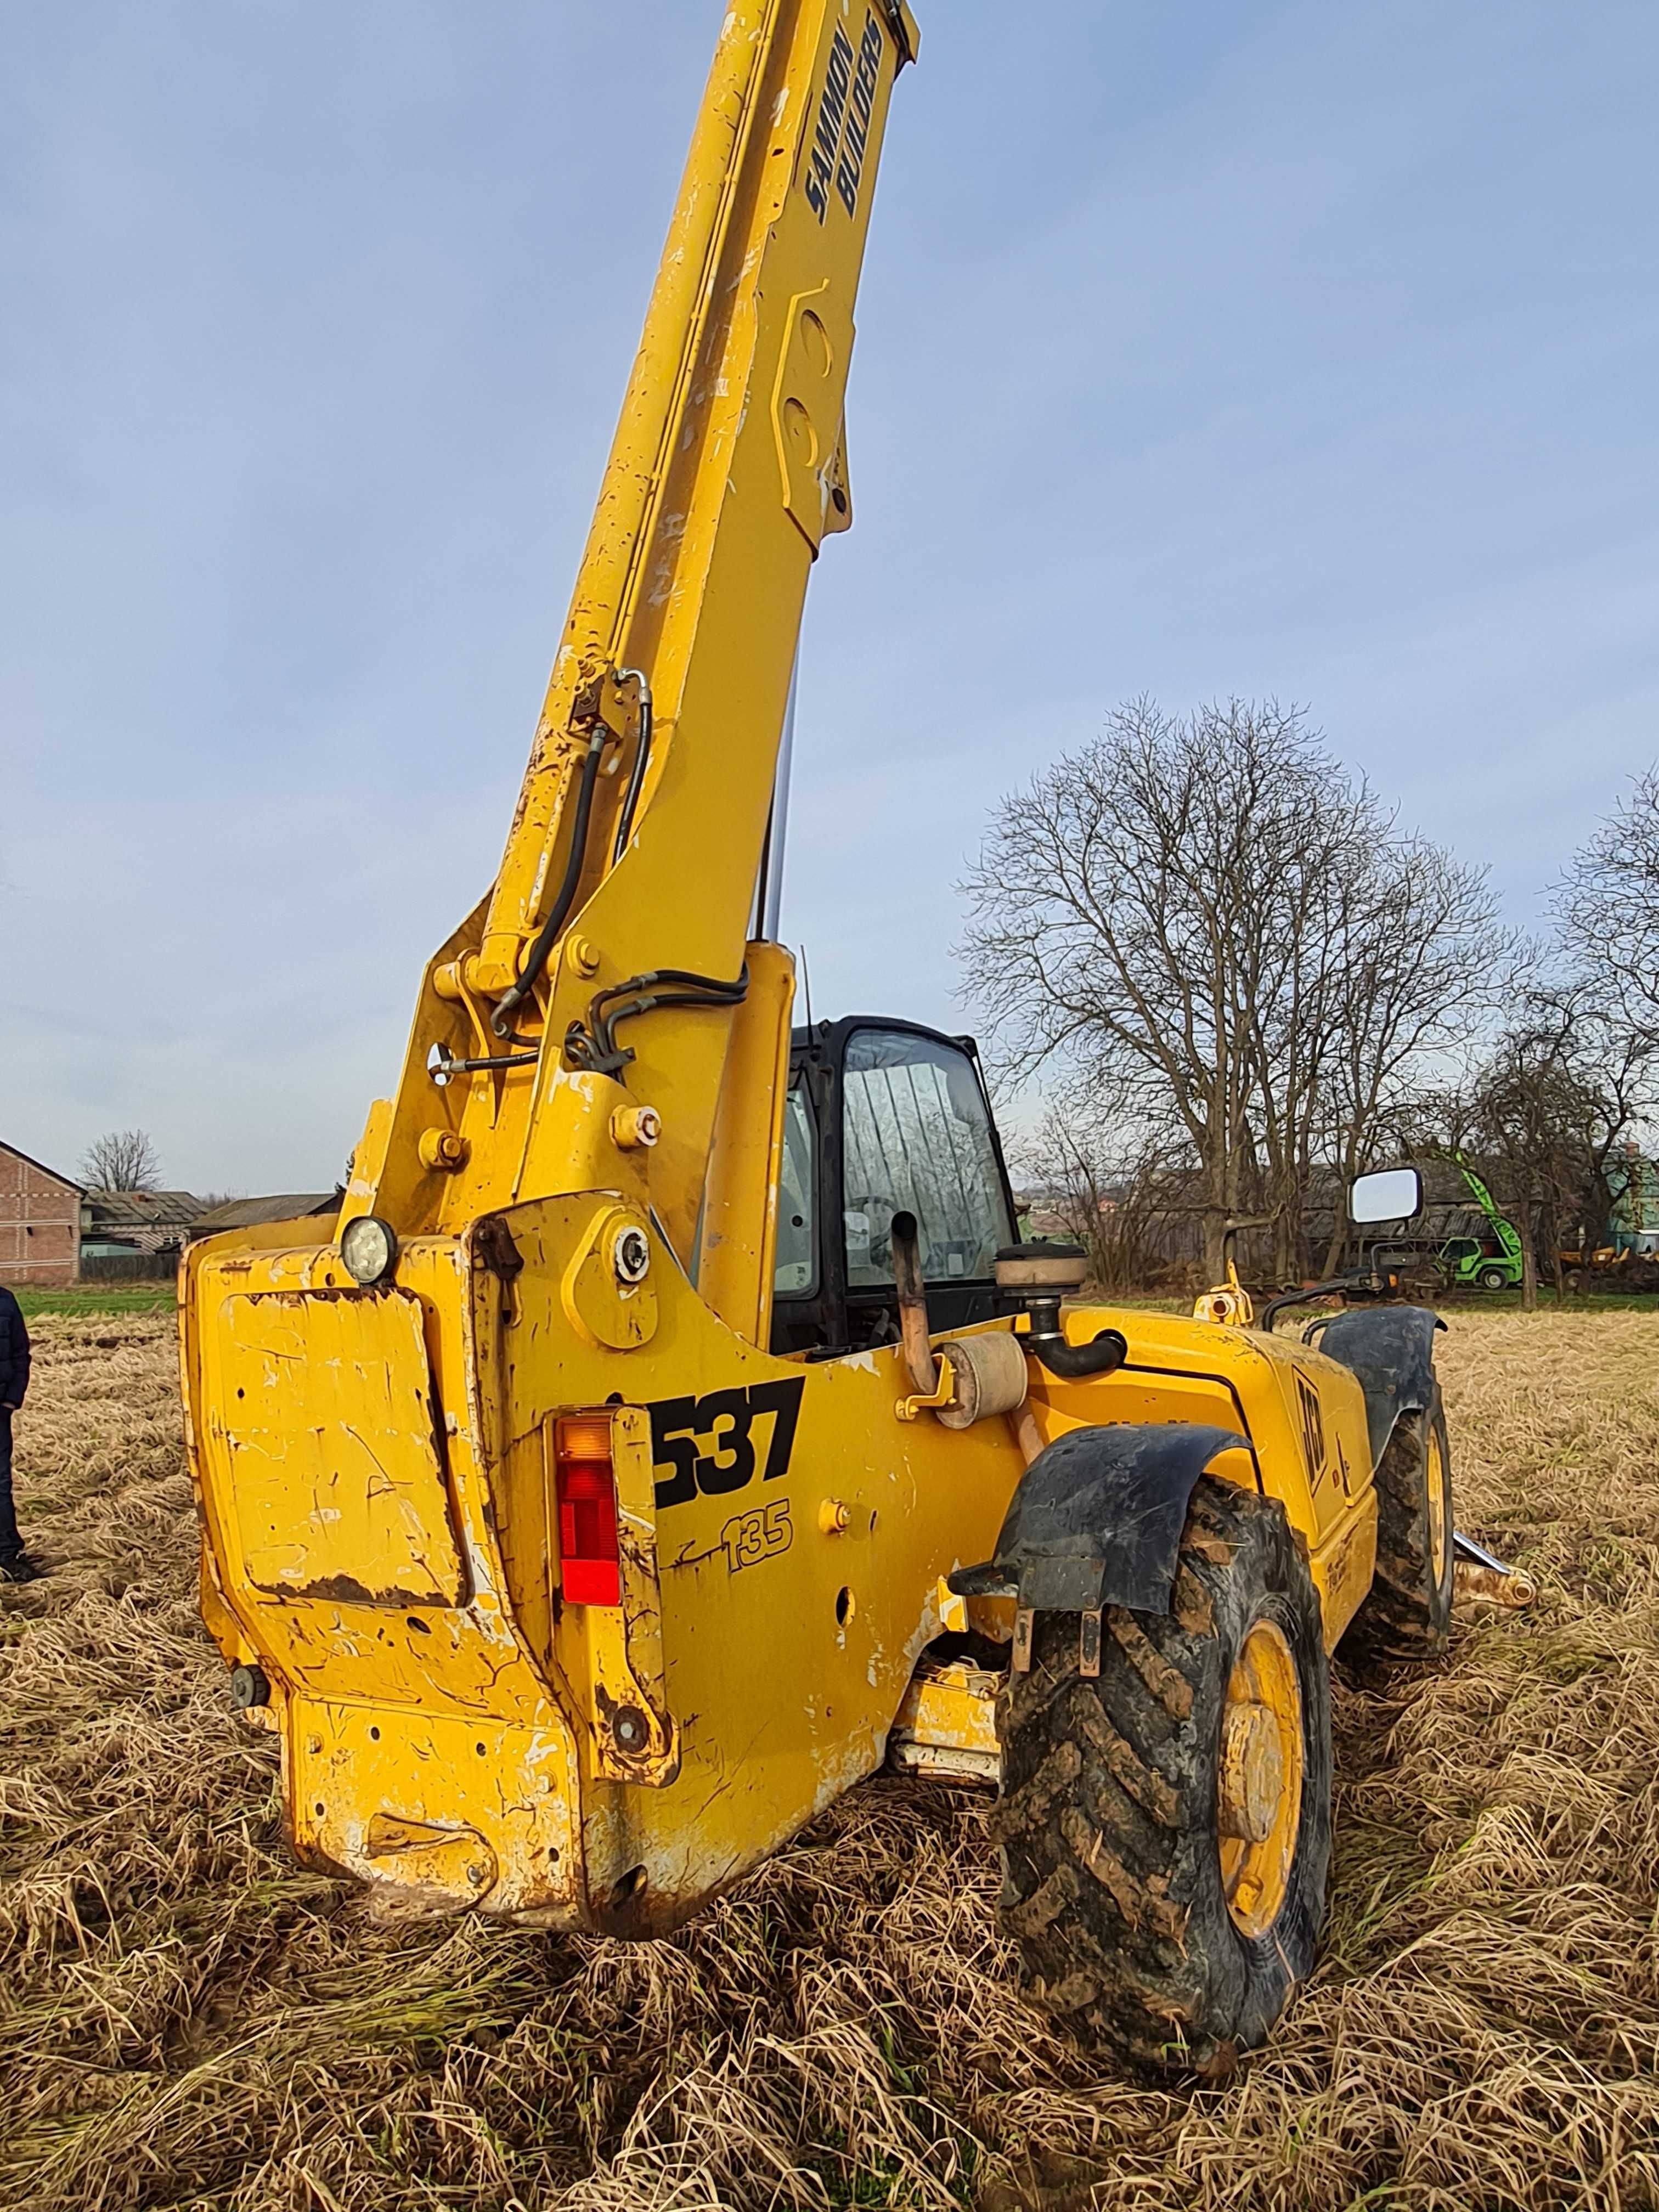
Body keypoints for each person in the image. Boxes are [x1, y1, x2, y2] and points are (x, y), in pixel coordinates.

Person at [0, 1283, 37, 1584]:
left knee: (0, 1487)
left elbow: (20, 1353)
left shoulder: (5, 1301)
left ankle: (7, 1557)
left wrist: (12, 1398)